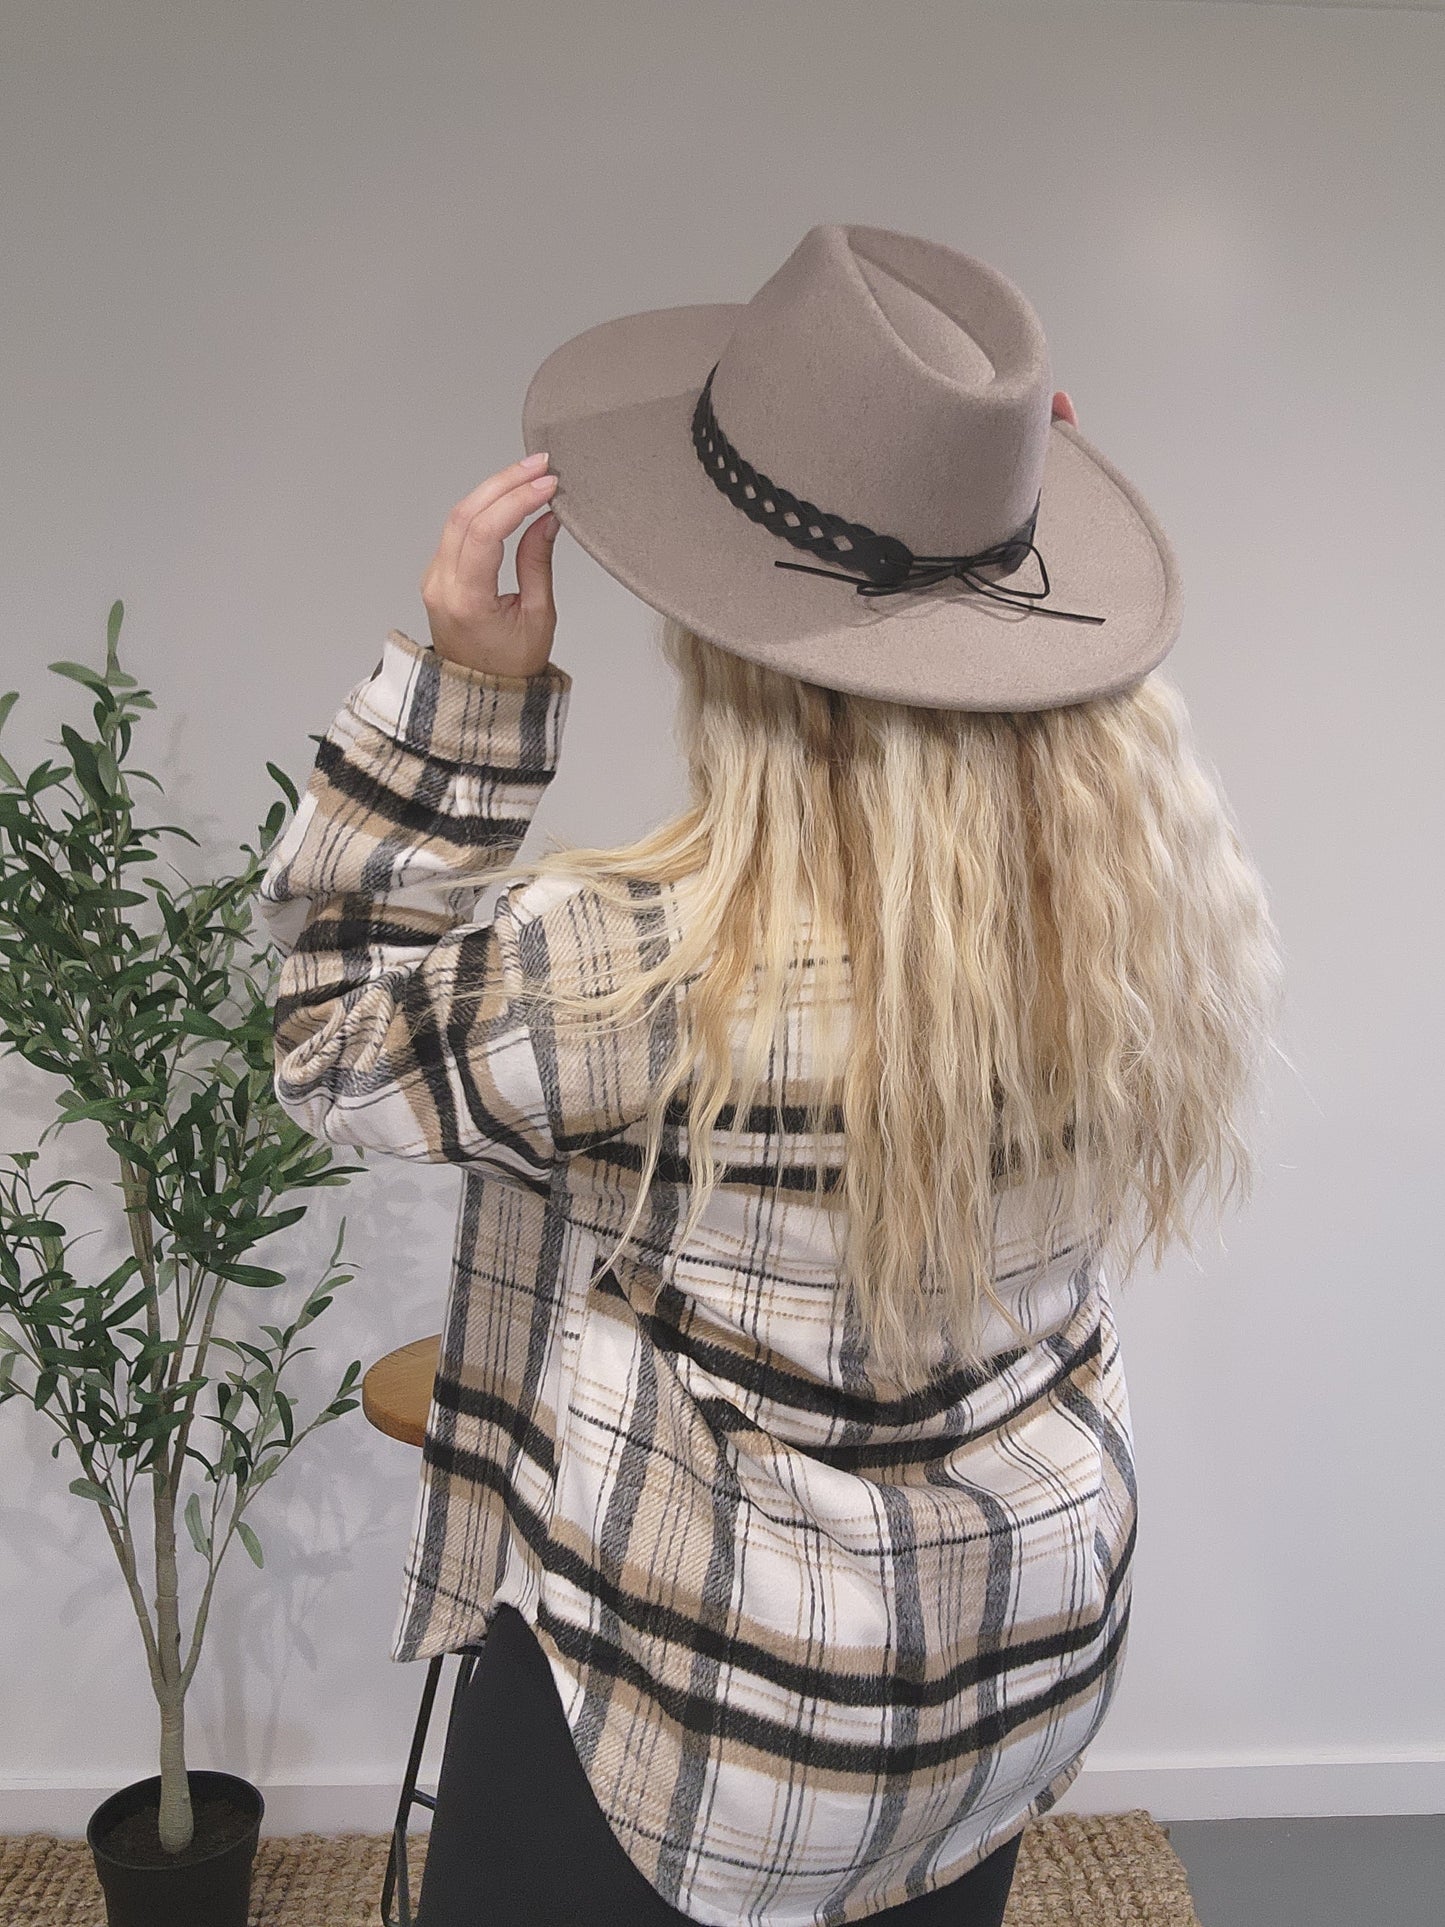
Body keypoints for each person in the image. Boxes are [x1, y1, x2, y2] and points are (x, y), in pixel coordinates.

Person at [257, 225, 1281, 1926]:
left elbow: (328, 1034)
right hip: (990, 1692)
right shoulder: (1134, 918)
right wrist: (976, 521)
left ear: (727, 639)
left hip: (698, 1730)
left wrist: (469, 697)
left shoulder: (645, 969)